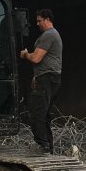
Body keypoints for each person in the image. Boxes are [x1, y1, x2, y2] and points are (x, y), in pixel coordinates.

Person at [20, 8, 62, 153]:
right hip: (50, 78)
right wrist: (36, 76)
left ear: (47, 19)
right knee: (45, 114)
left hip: (47, 78)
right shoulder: (53, 34)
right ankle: (48, 147)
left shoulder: (48, 35)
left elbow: (36, 58)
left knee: (36, 112)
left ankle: (41, 145)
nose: (37, 24)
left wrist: (26, 54)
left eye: (39, 21)